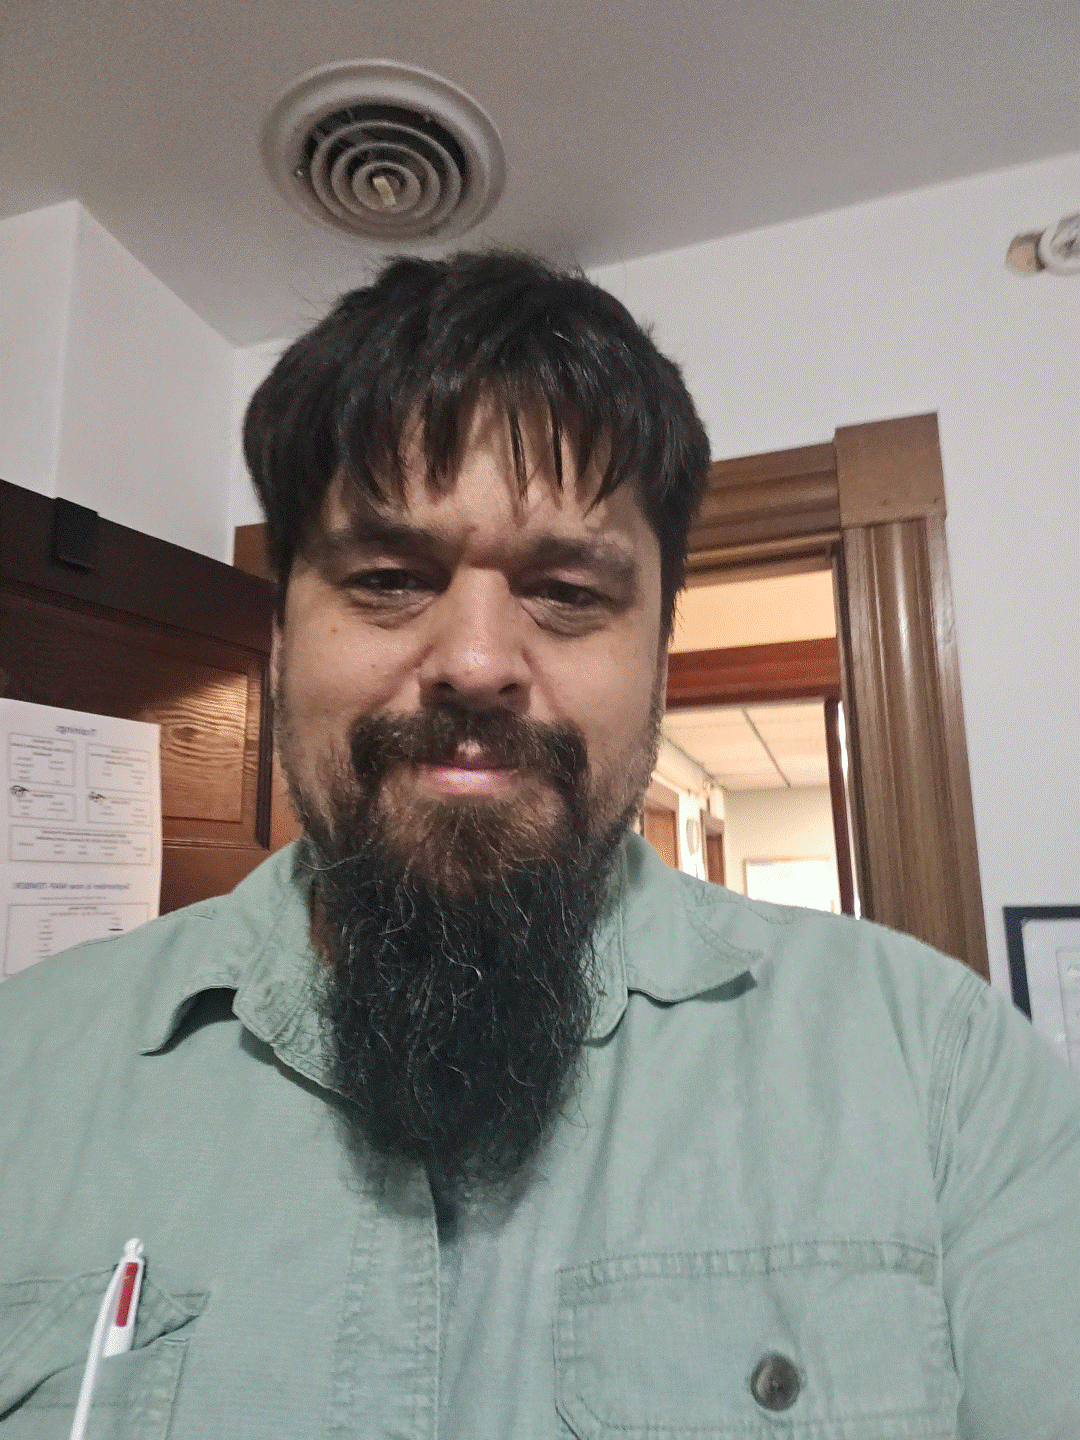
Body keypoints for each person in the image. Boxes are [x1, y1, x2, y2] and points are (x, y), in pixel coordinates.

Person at [1, 252, 1078, 1440]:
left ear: (659, 655)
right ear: (280, 637)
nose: (475, 662)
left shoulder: (942, 1077)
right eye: (388, 577)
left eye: (566, 591)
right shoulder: (22, 1072)